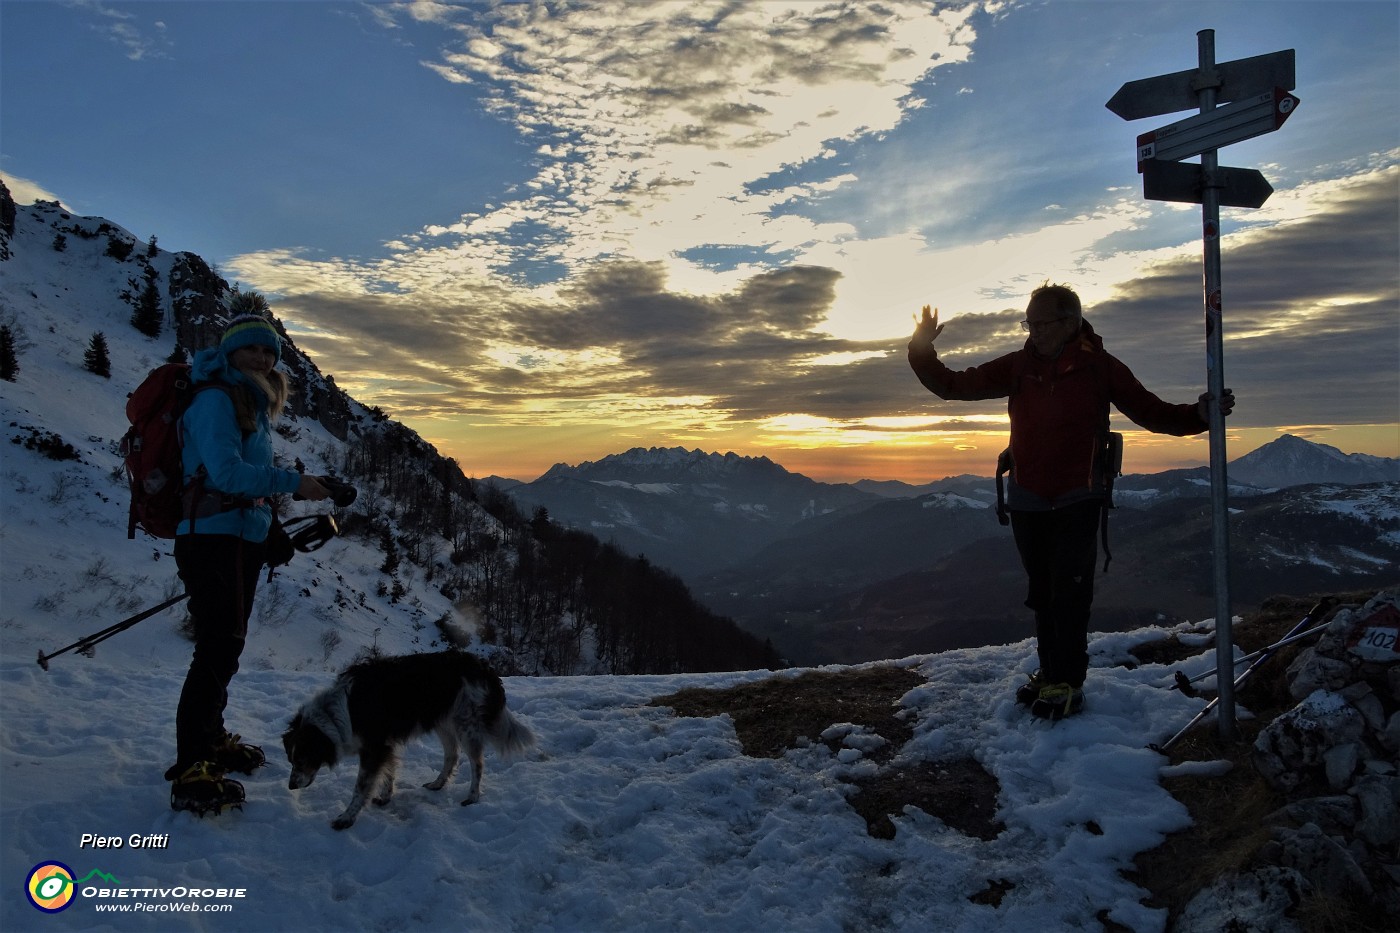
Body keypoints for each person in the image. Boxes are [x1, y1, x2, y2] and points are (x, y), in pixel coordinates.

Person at [908, 284, 1234, 720]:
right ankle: (1051, 674)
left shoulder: (1100, 368)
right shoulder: (1019, 365)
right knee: (1042, 592)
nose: (1034, 332)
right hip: (1027, 498)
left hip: (1079, 496)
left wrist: (1198, 415)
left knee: (1070, 591)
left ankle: (1068, 682)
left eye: (1041, 323)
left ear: (1070, 322)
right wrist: (920, 348)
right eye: (1029, 323)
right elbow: (952, 386)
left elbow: (1150, 412)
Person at [165, 314, 331, 814]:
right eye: (252, 349)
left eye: (270, 352)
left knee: (227, 649)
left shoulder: (248, 401)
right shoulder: (216, 398)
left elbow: (243, 482)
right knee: (216, 651)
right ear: (231, 351)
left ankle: (211, 740)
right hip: (211, 540)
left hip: (237, 538)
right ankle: (193, 764)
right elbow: (227, 473)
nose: (262, 358)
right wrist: (294, 483)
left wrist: (270, 532)